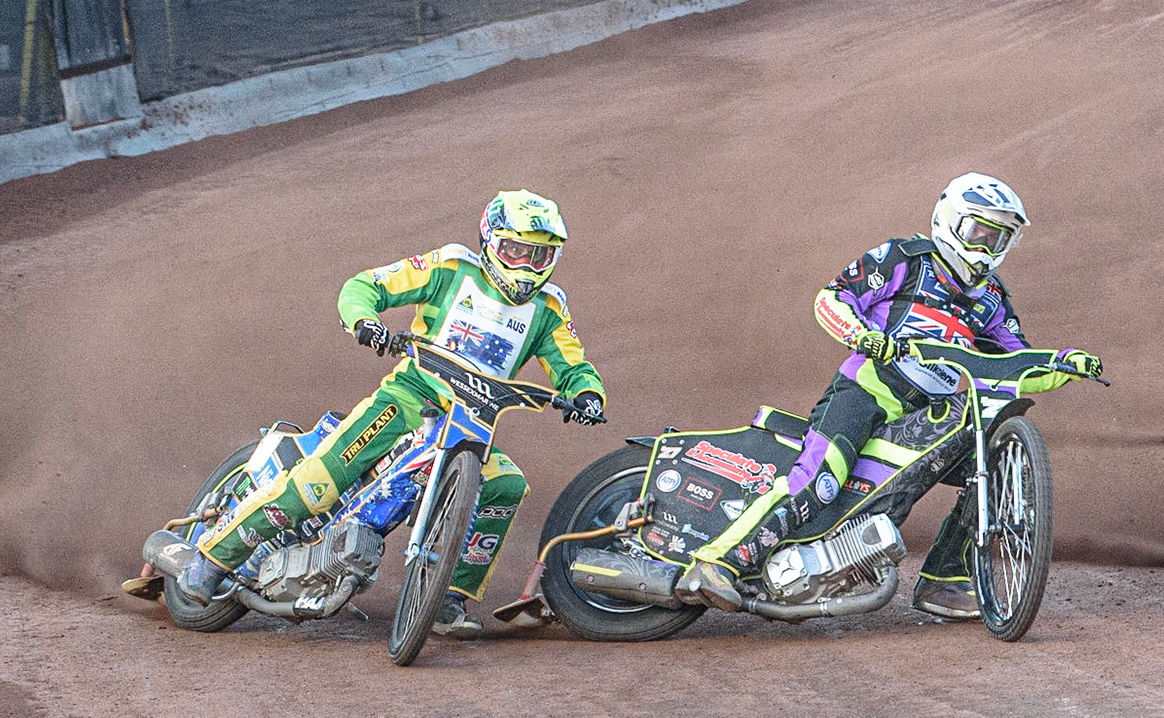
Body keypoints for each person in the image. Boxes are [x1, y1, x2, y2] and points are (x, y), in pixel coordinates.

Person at [176, 190, 608, 639]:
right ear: (489, 238)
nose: (524, 265)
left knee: (506, 484)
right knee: (319, 483)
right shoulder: (451, 266)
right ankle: (211, 560)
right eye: (515, 250)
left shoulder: (550, 308)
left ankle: (446, 598)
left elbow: (573, 366)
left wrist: (587, 394)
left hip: (473, 421)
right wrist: (365, 321)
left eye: (539, 256)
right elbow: (366, 286)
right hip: (407, 399)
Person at [674, 173, 1101, 618]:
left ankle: (943, 579)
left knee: (987, 471)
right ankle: (717, 563)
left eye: (1000, 238)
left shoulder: (990, 300)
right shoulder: (903, 258)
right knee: (819, 481)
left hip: (923, 417)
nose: (987, 247)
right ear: (950, 221)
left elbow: (1016, 365)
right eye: (980, 231)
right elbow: (832, 299)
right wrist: (864, 337)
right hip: (864, 393)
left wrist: (1064, 366)